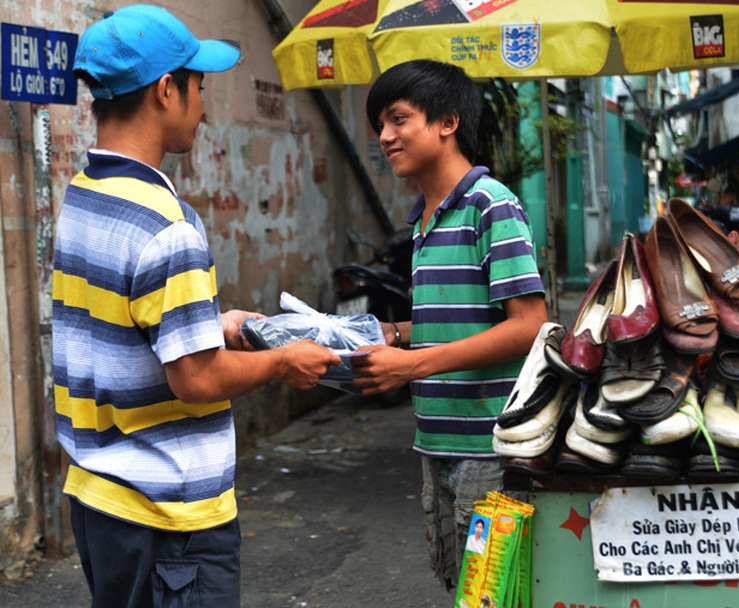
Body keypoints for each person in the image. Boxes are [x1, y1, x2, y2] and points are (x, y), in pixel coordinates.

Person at [54, 6, 340, 607]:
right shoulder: (167, 223)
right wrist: (285, 362)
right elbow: (196, 376)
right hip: (167, 521)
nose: (204, 105)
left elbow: (129, 326)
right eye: (199, 86)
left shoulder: (84, 196)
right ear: (166, 90)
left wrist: (213, 325)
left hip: (99, 503)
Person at [350, 59, 548, 590]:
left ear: (447, 122)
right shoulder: (424, 219)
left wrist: (410, 365)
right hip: (436, 445)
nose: (385, 137)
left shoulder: (491, 206)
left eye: (398, 120)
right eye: (380, 125)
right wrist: (394, 335)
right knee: (459, 587)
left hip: (489, 449)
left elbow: (529, 325)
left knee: (489, 596)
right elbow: (464, 317)